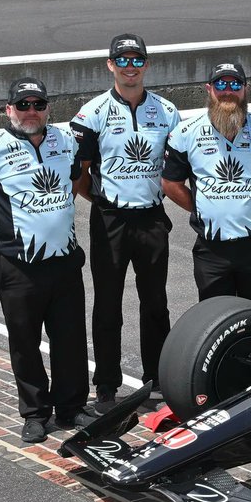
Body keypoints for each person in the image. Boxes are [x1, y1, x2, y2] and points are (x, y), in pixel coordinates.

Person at [0, 79, 91, 443]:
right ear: (9, 109)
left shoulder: (65, 140)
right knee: (25, 342)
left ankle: (71, 407)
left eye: (38, 104)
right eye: (22, 105)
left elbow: (74, 181)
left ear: (47, 108)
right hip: (17, 266)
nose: (31, 112)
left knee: (71, 338)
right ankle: (35, 413)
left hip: (64, 260)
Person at [71, 35, 179, 413]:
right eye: (122, 60)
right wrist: (102, 202)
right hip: (110, 219)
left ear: (146, 64)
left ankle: (157, 378)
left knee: (156, 303)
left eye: (136, 60)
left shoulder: (168, 111)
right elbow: (79, 174)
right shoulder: (92, 113)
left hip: (151, 218)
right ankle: (106, 384)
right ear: (110, 64)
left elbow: (178, 167)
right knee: (107, 304)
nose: (129, 67)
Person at [161, 62, 251, 306]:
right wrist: (201, 207)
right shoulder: (185, 132)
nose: (228, 91)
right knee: (215, 318)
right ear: (209, 89)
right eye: (221, 84)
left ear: (245, 89)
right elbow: (170, 183)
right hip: (211, 250)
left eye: (235, 84)